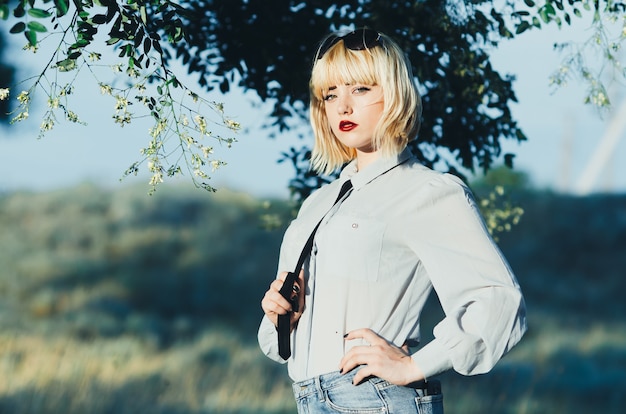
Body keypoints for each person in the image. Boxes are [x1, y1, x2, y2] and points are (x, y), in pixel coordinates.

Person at [258, 28, 526, 413]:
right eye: (330, 94)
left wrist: (416, 365)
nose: (342, 107)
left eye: (361, 89)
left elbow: (498, 300)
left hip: (374, 398)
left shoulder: (428, 192)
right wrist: (282, 317)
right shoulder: (316, 206)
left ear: (395, 93)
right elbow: (275, 346)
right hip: (307, 398)